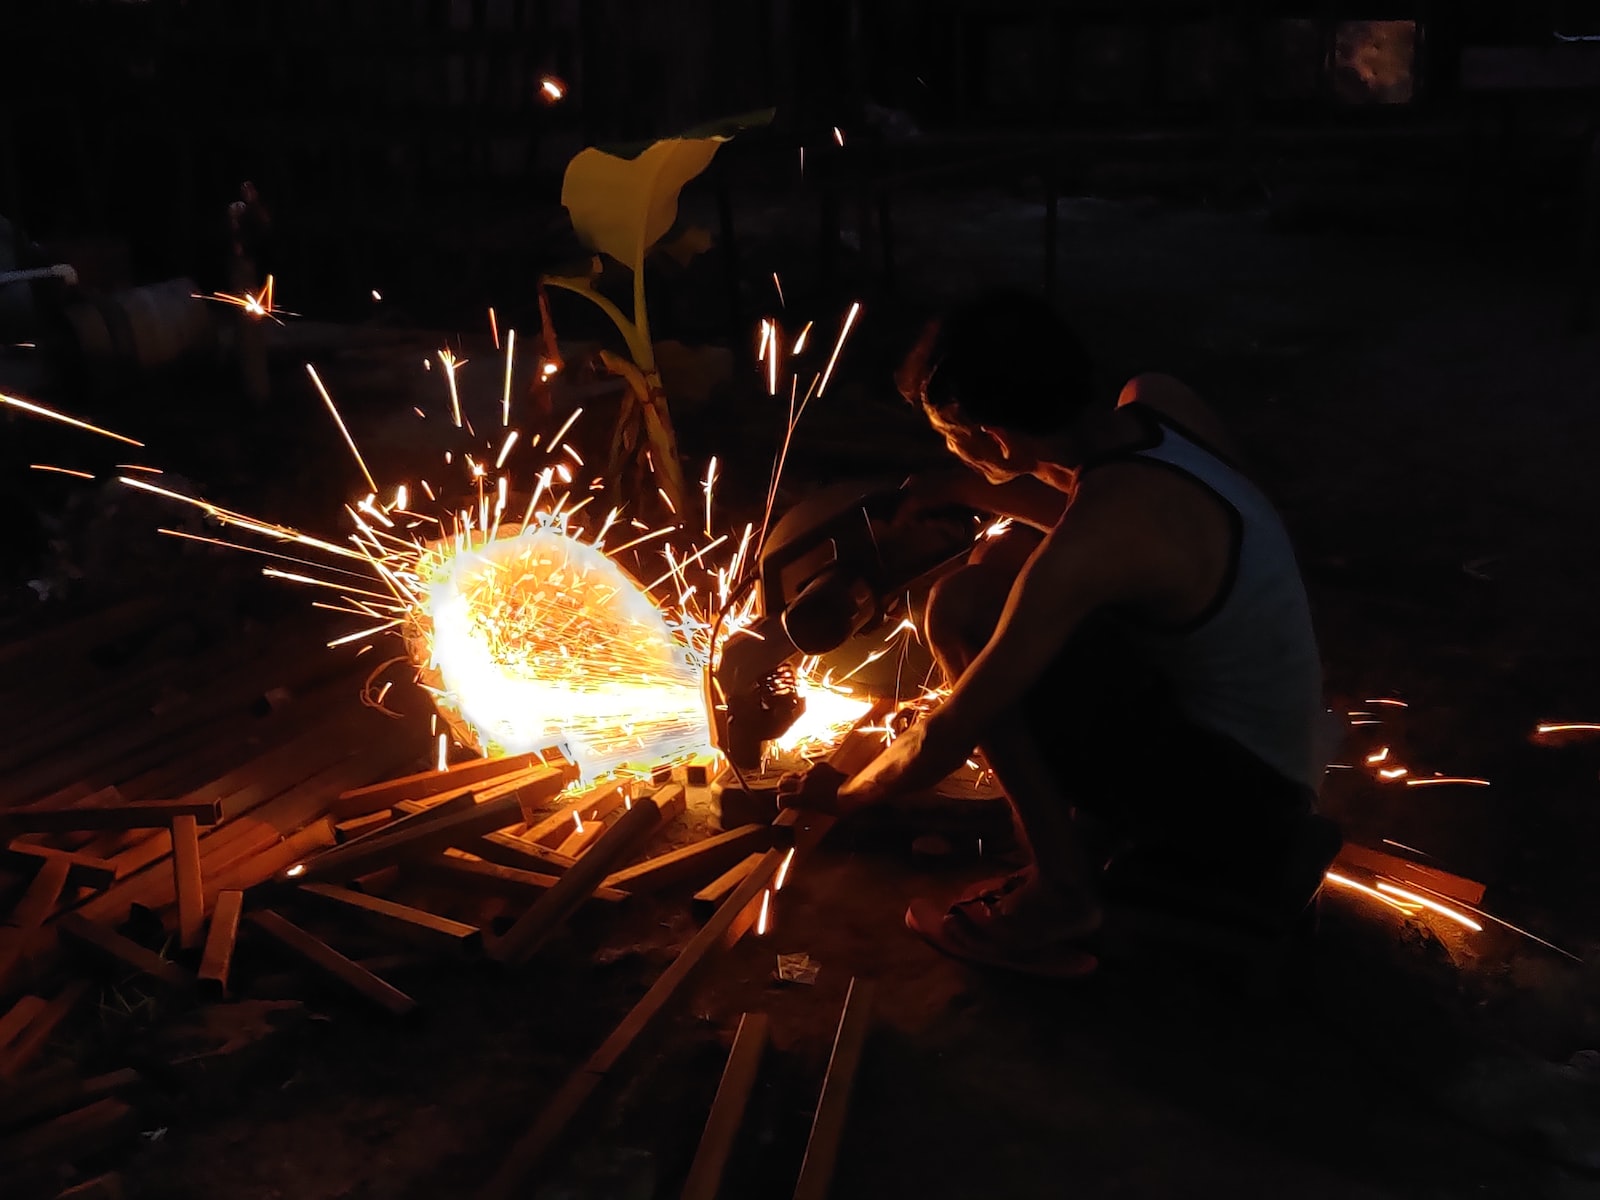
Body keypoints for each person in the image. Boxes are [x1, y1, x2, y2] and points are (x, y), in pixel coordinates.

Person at [789, 289, 1326, 977]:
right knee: (1002, 557)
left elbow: (945, 736)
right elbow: (1124, 526)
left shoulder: (1099, 531)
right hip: (1283, 752)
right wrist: (966, 488)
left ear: (995, 435)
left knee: (962, 607)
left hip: (1241, 807)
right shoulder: (1159, 402)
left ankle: (1062, 893)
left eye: (949, 433)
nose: (947, 446)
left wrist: (842, 793)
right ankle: (1090, 835)